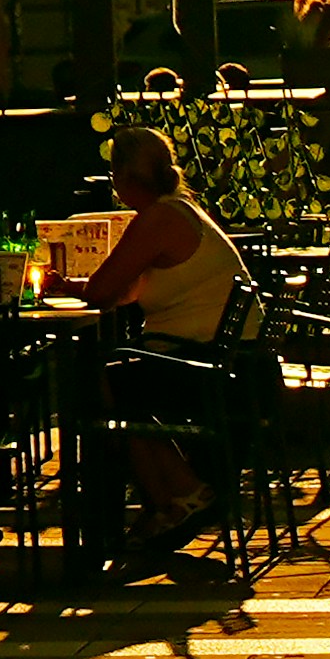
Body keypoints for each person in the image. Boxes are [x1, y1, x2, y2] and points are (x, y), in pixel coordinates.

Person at [76, 123, 258, 550]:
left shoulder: (157, 219)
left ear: (120, 178)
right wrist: (73, 286)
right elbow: (126, 290)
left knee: (97, 381)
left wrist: (76, 289)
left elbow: (102, 291)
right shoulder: (179, 209)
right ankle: (168, 500)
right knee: (111, 378)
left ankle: (179, 494)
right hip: (233, 361)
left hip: (207, 369)